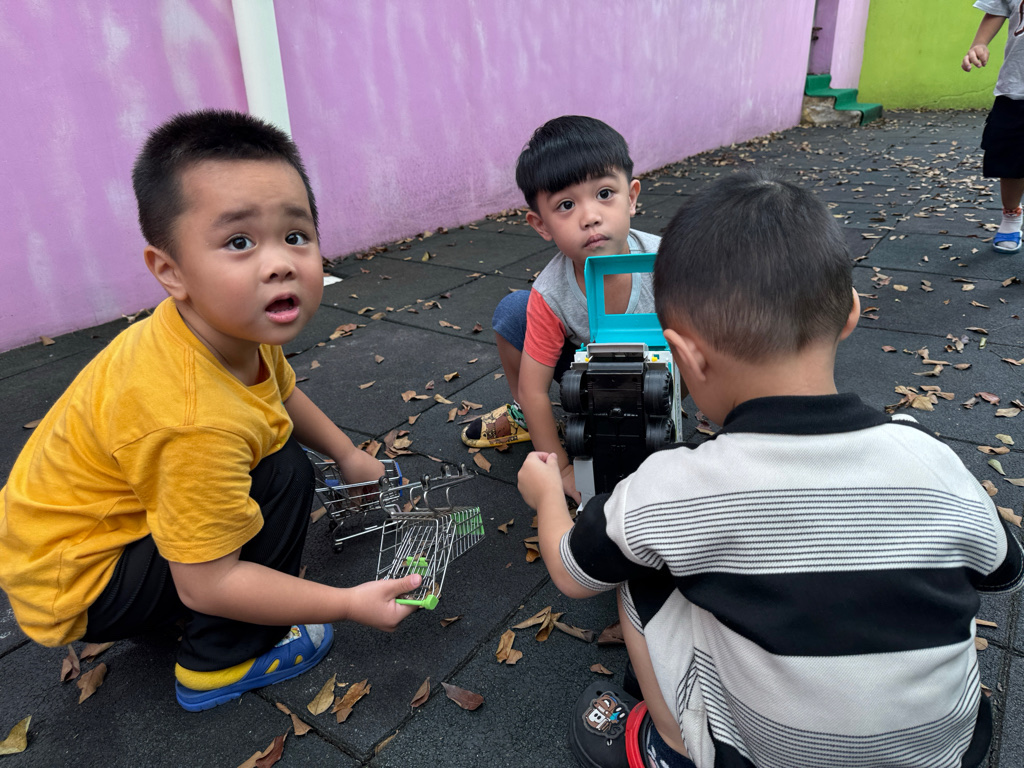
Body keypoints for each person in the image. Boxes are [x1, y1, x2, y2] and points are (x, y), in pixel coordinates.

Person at [518, 171, 1024, 768]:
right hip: (949, 750)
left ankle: (669, 746)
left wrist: (547, 493)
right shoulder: (931, 458)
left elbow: (573, 574)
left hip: (762, 756)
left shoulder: (673, 488)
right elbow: (1004, 573)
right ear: (851, 314)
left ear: (683, 356)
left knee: (639, 570)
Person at [0, 110, 423, 712]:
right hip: (79, 583)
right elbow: (211, 582)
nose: (279, 263)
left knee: (275, 453)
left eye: (295, 235)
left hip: (89, 537)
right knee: (283, 473)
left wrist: (349, 455)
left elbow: (281, 392)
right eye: (239, 242)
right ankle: (221, 659)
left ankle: (172, 601)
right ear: (170, 272)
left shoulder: (224, 329)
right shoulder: (191, 417)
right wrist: (346, 603)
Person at [462, 115, 664, 503]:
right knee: (514, 311)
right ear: (541, 225)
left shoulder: (667, 263)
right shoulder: (551, 293)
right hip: (585, 371)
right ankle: (526, 418)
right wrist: (563, 469)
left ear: (632, 197)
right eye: (566, 205)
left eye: (605, 193)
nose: (590, 217)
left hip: (654, 370)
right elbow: (535, 389)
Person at [962, 0, 1024, 253]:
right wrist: (979, 44)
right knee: (1010, 161)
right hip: (1017, 88)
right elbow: (996, 10)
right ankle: (1011, 215)